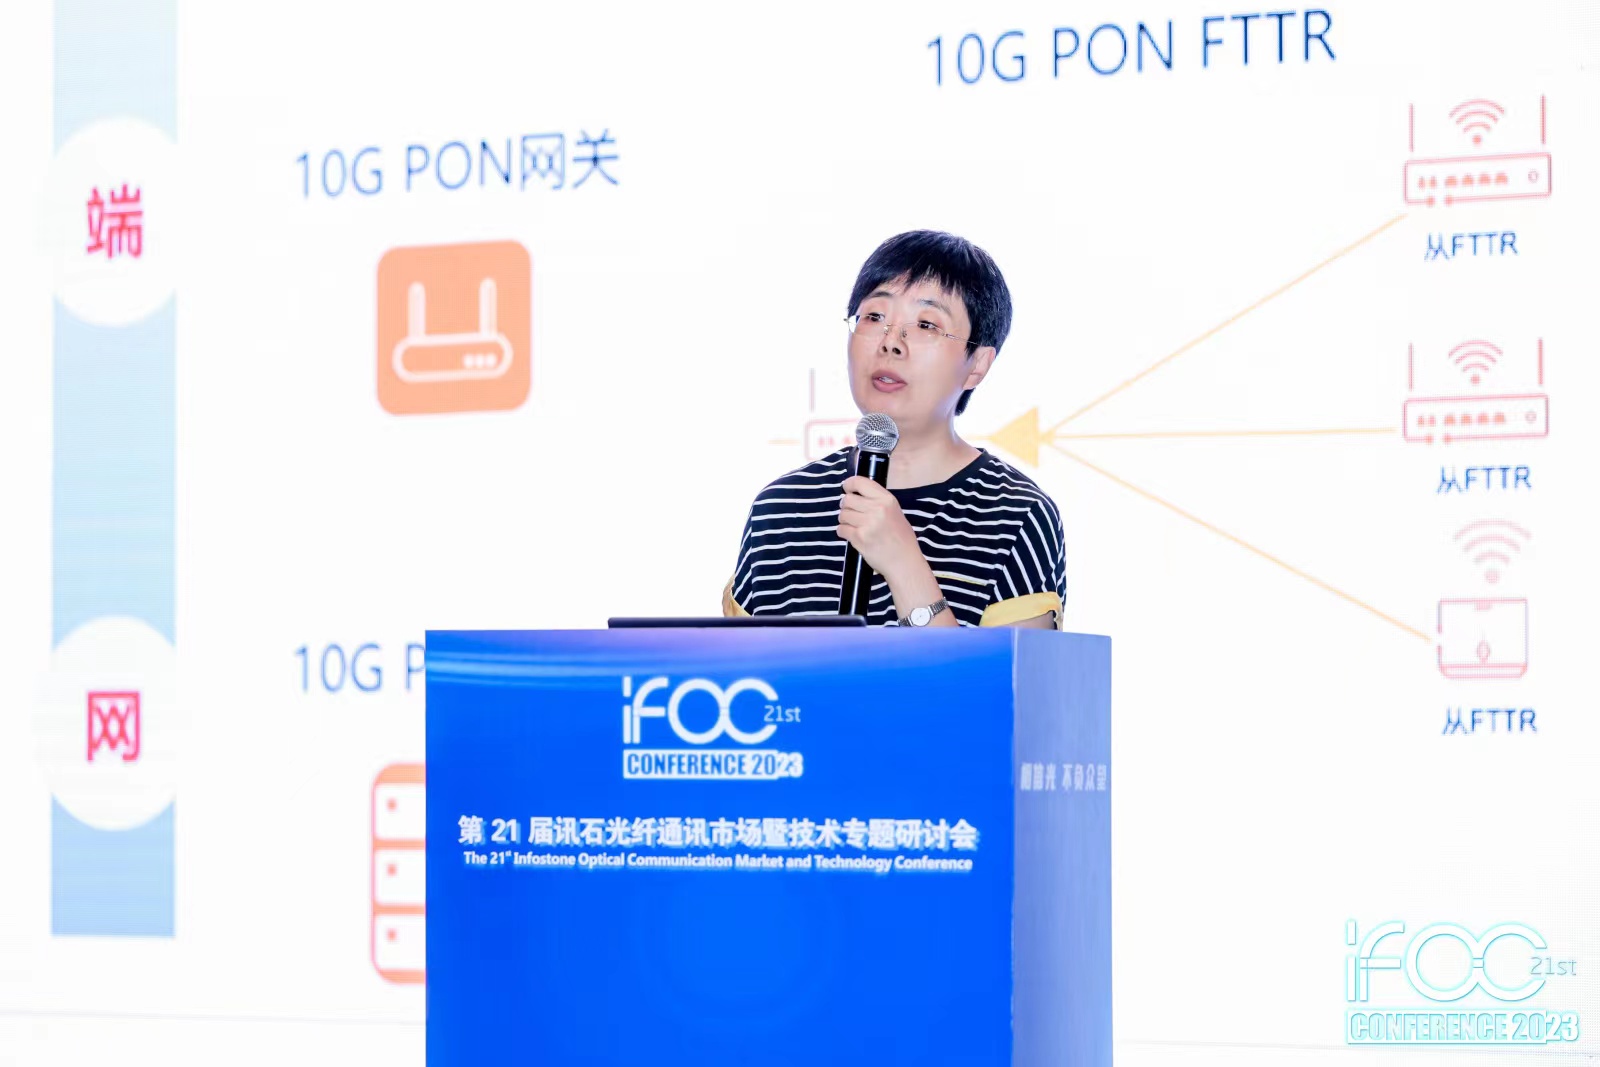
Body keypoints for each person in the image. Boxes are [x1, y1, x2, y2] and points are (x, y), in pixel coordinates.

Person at [722, 230, 1066, 628]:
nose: (891, 342)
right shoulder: (781, 509)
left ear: (977, 365)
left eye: (926, 325)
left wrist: (903, 564)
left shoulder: (1016, 515)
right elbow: (746, 667)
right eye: (874, 317)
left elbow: (1010, 672)